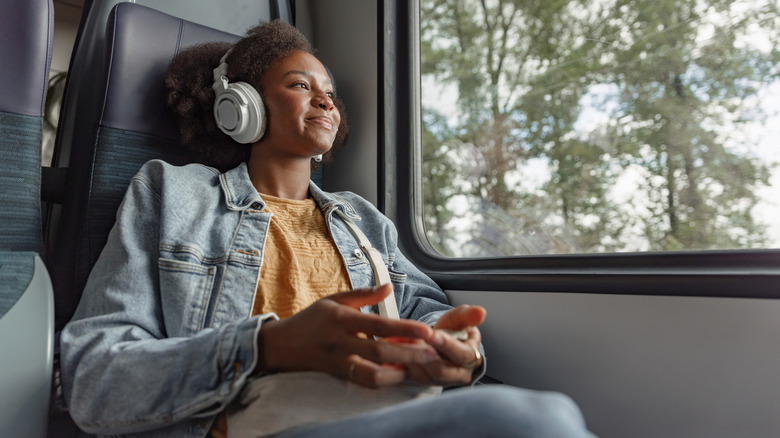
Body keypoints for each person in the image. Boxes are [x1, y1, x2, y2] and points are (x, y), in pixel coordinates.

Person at [60, 20, 596, 438]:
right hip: (250, 421)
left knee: (546, 413)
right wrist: (266, 347)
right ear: (239, 108)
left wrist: (456, 347)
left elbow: (423, 309)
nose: (326, 101)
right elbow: (94, 379)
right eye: (300, 85)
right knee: (535, 420)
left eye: (331, 92)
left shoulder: (362, 218)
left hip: (379, 408)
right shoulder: (171, 194)